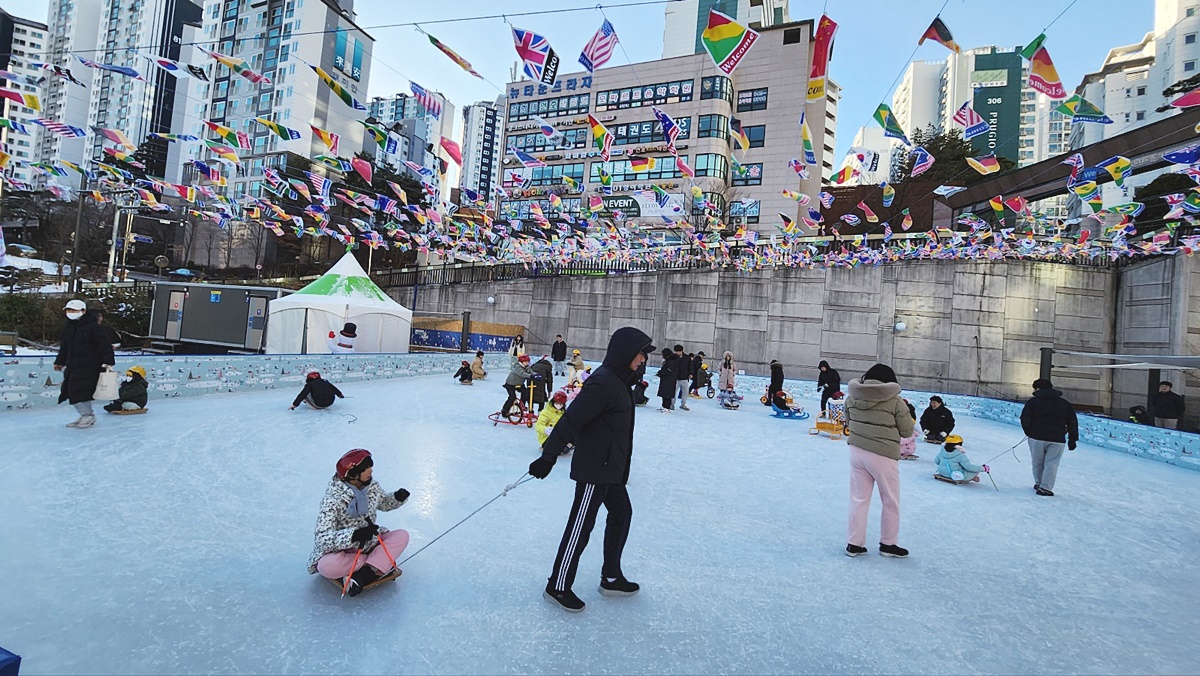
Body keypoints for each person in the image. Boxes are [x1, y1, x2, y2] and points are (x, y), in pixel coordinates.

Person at [528, 326, 654, 613]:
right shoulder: (604, 383)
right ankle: (557, 585)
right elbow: (572, 419)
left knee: (622, 514)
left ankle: (610, 577)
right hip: (596, 469)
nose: (643, 360)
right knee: (580, 527)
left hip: (612, 469)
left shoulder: (620, 381)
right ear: (625, 353)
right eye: (640, 354)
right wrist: (548, 457)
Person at [307, 449, 411, 597]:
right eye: (366, 469)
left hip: (370, 542)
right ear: (353, 475)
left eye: (370, 466)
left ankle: (364, 572)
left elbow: (383, 503)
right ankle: (374, 565)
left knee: (402, 536)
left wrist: (396, 498)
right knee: (326, 566)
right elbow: (322, 538)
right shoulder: (332, 500)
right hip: (345, 551)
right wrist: (354, 535)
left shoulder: (372, 487)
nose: (371, 470)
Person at [844, 363, 914, 559]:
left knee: (859, 499)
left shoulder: (852, 397)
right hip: (883, 455)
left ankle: (854, 544)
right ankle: (888, 544)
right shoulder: (895, 401)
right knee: (890, 500)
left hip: (857, 452)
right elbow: (907, 431)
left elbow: (849, 423)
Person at [55, 300, 115, 429]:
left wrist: (108, 362)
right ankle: (85, 414)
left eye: (74, 311)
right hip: (73, 365)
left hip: (91, 365)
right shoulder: (69, 328)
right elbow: (64, 348)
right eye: (69, 310)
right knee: (71, 391)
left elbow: (105, 346)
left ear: (83, 311)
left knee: (81, 391)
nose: (71, 313)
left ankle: (87, 415)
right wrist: (59, 361)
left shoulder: (93, 327)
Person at [1020, 379, 1079, 496]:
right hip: (1057, 439)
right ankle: (1045, 487)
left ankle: (1039, 482)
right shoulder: (1064, 403)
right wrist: (1073, 439)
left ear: (1037, 389)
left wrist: (1029, 432)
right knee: (1052, 463)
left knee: (1037, 462)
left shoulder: (1033, 402)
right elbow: (1072, 422)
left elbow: (1025, 418)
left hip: (1036, 438)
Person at [655, 348, 678, 412]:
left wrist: (661, 373)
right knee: (664, 393)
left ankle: (667, 407)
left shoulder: (671, 361)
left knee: (667, 393)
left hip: (669, 380)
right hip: (666, 379)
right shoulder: (669, 360)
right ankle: (664, 406)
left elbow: (668, 370)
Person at [673, 345, 691, 411]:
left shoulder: (687, 358)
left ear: (681, 351)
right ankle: (672, 404)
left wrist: (690, 373)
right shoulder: (674, 357)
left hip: (684, 378)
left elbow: (690, 366)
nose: (677, 353)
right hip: (676, 378)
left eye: (679, 351)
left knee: (685, 392)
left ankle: (683, 404)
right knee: (674, 392)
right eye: (676, 351)